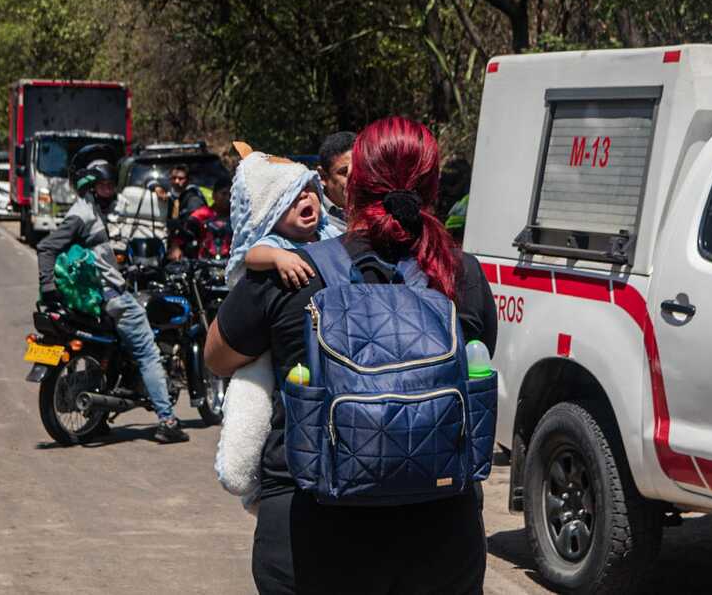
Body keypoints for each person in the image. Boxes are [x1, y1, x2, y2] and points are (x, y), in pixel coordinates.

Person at [205, 117, 497, 594]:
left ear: (352, 185)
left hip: (311, 537)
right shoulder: (461, 275)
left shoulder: (292, 271)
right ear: (433, 188)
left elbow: (217, 357)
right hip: (440, 537)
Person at [213, 144, 340, 509]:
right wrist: (279, 258)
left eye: (309, 192)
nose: (306, 200)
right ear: (270, 209)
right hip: (268, 352)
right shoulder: (272, 243)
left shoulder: (330, 238)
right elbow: (249, 255)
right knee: (251, 399)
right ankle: (245, 479)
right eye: (292, 196)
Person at [37, 153, 190, 444]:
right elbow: (46, 247)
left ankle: (99, 415)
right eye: (106, 186)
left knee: (114, 352)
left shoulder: (89, 211)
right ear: (92, 186)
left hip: (101, 295)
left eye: (112, 186)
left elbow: (94, 259)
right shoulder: (82, 216)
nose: (112, 192)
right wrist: (48, 288)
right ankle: (167, 420)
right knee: (148, 354)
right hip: (114, 299)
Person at [166, 176, 233, 261]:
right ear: (214, 195)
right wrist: (175, 247)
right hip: (204, 263)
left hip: (231, 265)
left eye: (230, 195)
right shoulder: (202, 214)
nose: (227, 198)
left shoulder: (238, 217)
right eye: (223, 194)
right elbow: (184, 234)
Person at [316, 131, 354, 232]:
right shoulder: (312, 217)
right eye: (344, 172)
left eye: (361, 169)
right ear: (323, 176)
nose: (355, 179)